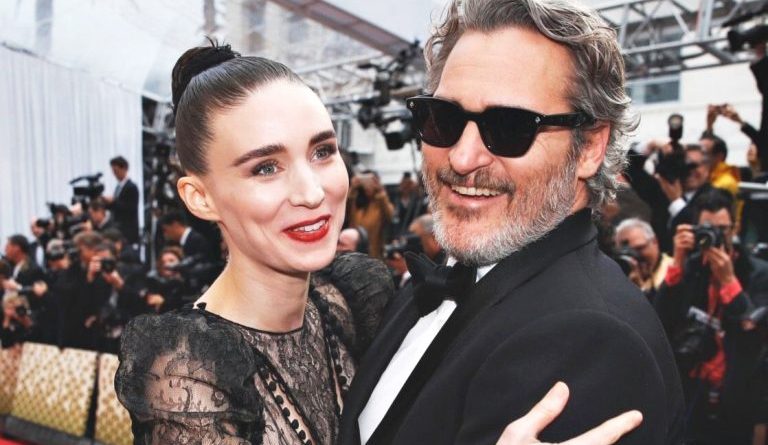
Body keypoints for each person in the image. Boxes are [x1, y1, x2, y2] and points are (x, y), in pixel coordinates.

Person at [115, 41, 641, 445]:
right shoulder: (186, 372)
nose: (312, 191)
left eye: (322, 152)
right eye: (265, 168)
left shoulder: (356, 296)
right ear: (200, 197)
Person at [341, 0, 684, 444]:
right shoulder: (445, 277)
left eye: (509, 127)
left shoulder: (588, 342)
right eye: (443, 118)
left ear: (589, 148)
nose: (463, 158)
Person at [655, 188, 768, 444]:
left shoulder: (759, 273)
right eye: (707, 229)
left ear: (736, 228)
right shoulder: (691, 268)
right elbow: (661, 319)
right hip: (691, 393)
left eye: (722, 229)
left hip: (738, 400)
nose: (716, 236)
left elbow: (756, 331)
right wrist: (678, 263)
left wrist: (729, 283)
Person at [614, 218, 674, 304]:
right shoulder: (617, 279)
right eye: (626, 253)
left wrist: (640, 290)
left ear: (655, 241)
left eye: (639, 248)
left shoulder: (675, 273)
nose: (634, 257)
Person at [104, 155, 140, 244]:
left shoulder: (131, 187)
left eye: (116, 171)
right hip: (118, 226)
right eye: (113, 171)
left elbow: (130, 207)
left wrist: (113, 202)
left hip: (128, 228)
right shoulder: (118, 187)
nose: (114, 174)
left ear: (124, 169)